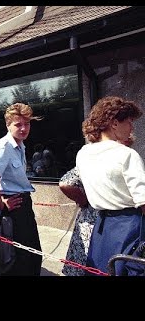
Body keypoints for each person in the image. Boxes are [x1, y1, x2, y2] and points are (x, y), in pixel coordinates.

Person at [76, 96, 145, 276]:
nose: (131, 127)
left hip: (101, 227)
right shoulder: (126, 155)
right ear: (114, 123)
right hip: (130, 225)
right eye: (129, 122)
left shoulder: (83, 153)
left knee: (102, 270)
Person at [0, 103, 43, 276]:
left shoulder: (20, 145)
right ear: (8, 125)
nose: (23, 128)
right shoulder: (3, 147)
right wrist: (1, 202)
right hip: (12, 208)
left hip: (23, 204)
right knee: (17, 258)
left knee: (33, 254)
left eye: (26, 124)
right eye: (18, 124)